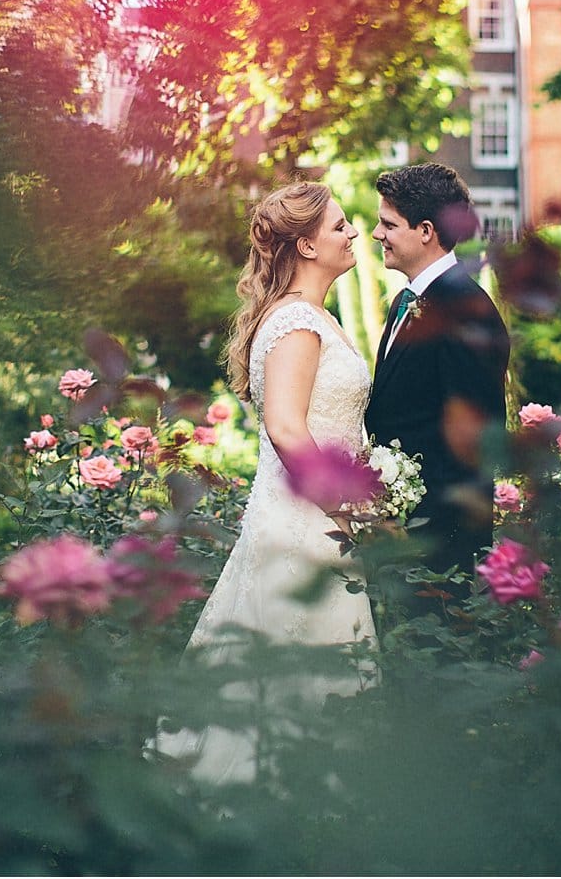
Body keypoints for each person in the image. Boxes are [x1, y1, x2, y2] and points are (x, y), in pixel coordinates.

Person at [153, 181, 377, 785]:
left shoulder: (304, 316)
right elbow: (284, 426)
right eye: (338, 226)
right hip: (308, 524)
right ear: (305, 246)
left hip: (303, 518)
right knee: (299, 673)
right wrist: (345, 504)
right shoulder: (299, 322)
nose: (352, 233)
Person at [364, 162, 510, 581]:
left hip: (439, 553)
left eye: (388, 224)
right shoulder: (404, 302)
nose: (377, 235)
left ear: (425, 231)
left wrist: (423, 537)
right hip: (402, 539)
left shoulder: (468, 311)